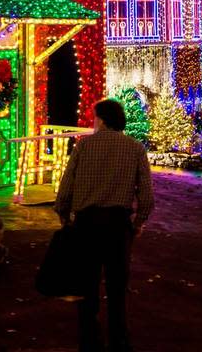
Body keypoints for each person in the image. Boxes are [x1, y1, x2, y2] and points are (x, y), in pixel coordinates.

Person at [56, 99, 154, 352]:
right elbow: (146, 193)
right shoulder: (135, 148)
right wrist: (139, 221)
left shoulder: (84, 146)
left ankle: (89, 338)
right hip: (117, 225)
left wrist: (63, 214)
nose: (92, 122)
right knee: (117, 285)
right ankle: (119, 339)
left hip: (86, 224)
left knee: (86, 282)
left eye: (94, 117)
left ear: (101, 119)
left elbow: (66, 185)